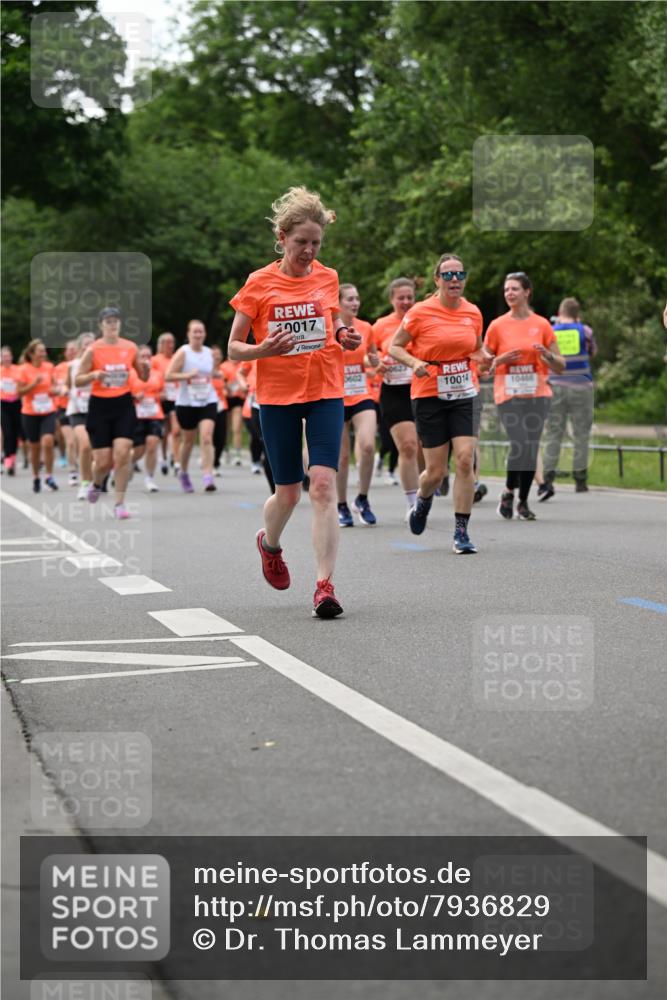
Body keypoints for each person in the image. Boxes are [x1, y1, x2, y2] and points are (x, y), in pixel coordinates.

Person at [228, 185, 361, 618]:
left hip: (325, 389)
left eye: (315, 243)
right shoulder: (259, 283)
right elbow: (233, 348)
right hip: (278, 396)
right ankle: (269, 545)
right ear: (282, 237)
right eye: (301, 242)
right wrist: (264, 349)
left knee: (321, 484)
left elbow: (332, 327)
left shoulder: (328, 277)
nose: (308, 251)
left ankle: (324, 585)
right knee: (287, 494)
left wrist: (345, 335)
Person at [389, 254, 486, 553]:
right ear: (437, 280)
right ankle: (423, 501)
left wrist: (486, 360)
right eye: (448, 275)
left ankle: (461, 531)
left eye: (459, 274)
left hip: (464, 393)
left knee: (466, 459)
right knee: (435, 472)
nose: (455, 280)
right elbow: (394, 346)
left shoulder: (473, 313)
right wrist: (414, 361)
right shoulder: (420, 312)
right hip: (429, 393)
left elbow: (478, 350)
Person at [484, 272, 565, 520]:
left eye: (515, 289)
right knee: (519, 443)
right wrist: (500, 359)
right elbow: (482, 367)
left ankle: (522, 501)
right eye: (506, 289)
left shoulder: (541, 324)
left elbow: (561, 365)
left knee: (530, 447)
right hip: (507, 394)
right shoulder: (497, 326)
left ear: (527, 292)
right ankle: (509, 491)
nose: (509, 293)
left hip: (538, 392)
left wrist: (547, 356)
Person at [75, 307, 149, 518]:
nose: (112, 324)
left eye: (115, 321)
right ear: (101, 325)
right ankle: (96, 482)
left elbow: (141, 377)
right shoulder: (93, 350)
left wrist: (146, 370)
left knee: (123, 453)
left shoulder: (130, 347)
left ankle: (119, 503)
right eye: (108, 321)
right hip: (100, 406)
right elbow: (77, 379)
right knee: (103, 461)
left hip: (123, 404)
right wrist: (94, 375)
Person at [372, 278, 421, 516]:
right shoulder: (380, 326)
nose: (405, 302)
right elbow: (366, 356)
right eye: (400, 298)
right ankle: (413, 504)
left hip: (422, 389)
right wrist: (377, 364)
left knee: (425, 448)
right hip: (394, 391)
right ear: (392, 299)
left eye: (409, 297)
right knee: (408, 446)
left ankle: (427, 491)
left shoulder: (423, 321)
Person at [539, 297, 597, 497]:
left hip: (555, 386)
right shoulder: (585, 331)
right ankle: (580, 480)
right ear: (577, 313)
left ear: (560, 311)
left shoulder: (551, 331)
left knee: (554, 433)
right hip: (582, 386)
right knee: (581, 433)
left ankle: (547, 478)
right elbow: (592, 353)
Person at [335, 283, 379, 526]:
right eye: (349, 299)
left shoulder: (366, 328)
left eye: (357, 298)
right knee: (341, 457)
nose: (355, 303)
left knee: (368, 446)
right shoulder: (329, 328)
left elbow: (372, 356)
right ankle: (341, 504)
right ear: (338, 303)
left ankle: (362, 498)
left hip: (361, 393)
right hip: (337, 396)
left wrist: (373, 360)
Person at [166, 319, 218, 493]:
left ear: (204, 334)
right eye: (194, 331)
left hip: (207, 399)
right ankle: (184, 472)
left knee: (206, 437)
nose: (198, 334)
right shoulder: (183, 352)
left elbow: (212, 373)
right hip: (187, 402)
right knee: (188, 440)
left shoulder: (209, 353)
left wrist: (219, 374)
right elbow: (168, 375)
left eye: (201, 331)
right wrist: (188, 375)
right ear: (188, 334)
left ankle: (208, 475)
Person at [16, 339, 59, 492]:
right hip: (30, 412)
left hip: (48, 411)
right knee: (34, 447)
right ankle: (36, 476)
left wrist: (56, 390)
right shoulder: (23, 369)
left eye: (44, 351)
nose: (44, 353)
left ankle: (49, 475)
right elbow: (19, 392)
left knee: (48, 442)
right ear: (32, 354)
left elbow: (54, 386)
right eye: (40, 351)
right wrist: (34, 383)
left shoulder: (49, 367)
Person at [129, 345, 164, 492]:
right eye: (142, 356)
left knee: (152, 444)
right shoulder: (131, 373)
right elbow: (123, 393)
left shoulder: (157, 373)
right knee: (139, 450)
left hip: (154, 414)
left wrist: (157, 396)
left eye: (148, 356)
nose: (146, 359)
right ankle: (126, 465)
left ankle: (149, 478)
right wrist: (135, 397)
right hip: (136, 415)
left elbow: (163, 392)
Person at [66, 332, 95, 500]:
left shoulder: (100, 364)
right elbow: (67, 385)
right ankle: (85, 483)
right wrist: (65, 390)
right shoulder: (73, 365)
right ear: (80, 347)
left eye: (91, 344)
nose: (88, 347)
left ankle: (95, 480)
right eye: (85, 344)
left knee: (97, 450)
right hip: (77, 409)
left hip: (96, 410)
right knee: (84, 445)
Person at [151, 332, 180, 475]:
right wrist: (158, 392)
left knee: (176, 430)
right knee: (164, 432)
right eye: (167, 342)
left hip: (175, 397)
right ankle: (163, 457)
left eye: (172, 342)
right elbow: (151, 379)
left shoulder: (177, 358)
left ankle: (176, 460)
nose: (170, 345)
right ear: (161, 345)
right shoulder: (155, 360)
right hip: (161, 398)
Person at [53, 341, 77, 482]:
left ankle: (81, 463)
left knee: (82, 441)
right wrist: (61, 390)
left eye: (74, 350)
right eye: (70, 350)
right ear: (65, 352)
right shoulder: (59, 368)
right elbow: (53, 388)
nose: (72, 352)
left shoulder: (83, 365)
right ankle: (72, 471)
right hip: (64, 408)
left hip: (81, 407)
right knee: (71, 441)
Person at [221, 354, 248, 465]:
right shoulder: (224, 366)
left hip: (238, 399)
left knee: (236, 427)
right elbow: (221, 381)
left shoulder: (243, 365)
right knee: (225, 428)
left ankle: (237, 454)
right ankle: (226, 451)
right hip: (226, 399)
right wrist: (226, 389)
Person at [1, 345, 22, 476]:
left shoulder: (18, 370)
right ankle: (8, 457)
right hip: (3, 403)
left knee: (15, 432)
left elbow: (23, 385)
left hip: (16, 402)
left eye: (8, 356)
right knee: (7, 431)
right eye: (4, 356)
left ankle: (13, 456)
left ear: (12, 357)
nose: (7, 358)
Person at [210, 344, 229, 477]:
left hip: (222, 406)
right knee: (209, 436)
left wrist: (227, 390)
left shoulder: (224, 371)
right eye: (214, 355)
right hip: (208, 405)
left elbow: (227, 386)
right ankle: (210, 463)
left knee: (221, 437)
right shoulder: (204, 370)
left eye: (218, 355)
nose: (217, 357)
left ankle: (216, 462)